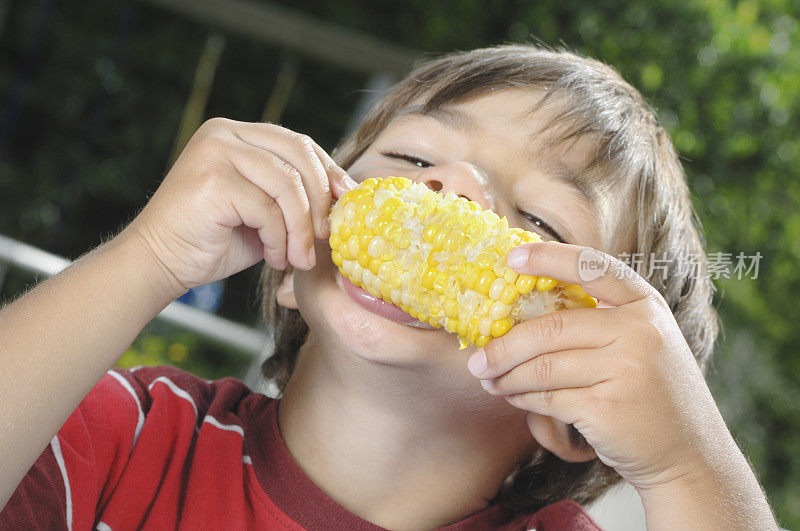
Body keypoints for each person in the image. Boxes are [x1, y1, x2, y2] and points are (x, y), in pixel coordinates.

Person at [0, 45, 777, 529]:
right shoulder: (127, 437)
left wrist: (684, 463)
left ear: (575, 403)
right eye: (410, 158)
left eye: (539, 216)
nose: (454, 188)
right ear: (290, 268)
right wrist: (149, 254)